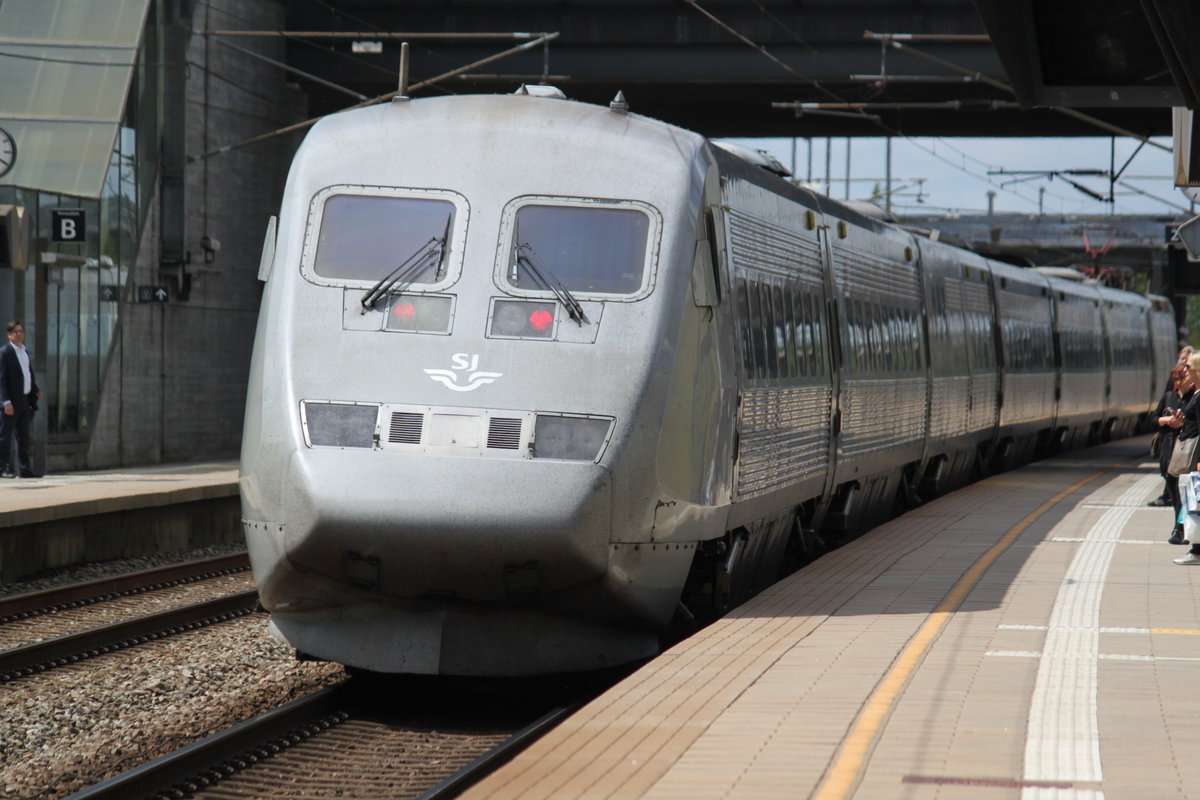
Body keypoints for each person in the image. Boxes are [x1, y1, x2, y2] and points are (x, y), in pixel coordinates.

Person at [0, 321, 43, 479]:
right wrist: (5, 402)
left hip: (24, 401)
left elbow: (28, 373)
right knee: (4, 437)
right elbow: (1, 379)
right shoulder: (4, 353)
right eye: (15, 332)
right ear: (9, 334)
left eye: (20, 331)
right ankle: (2, 467)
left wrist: (35, 389)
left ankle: (25, 469)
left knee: (23, 437)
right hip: (10, 403)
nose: (18, 334)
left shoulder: (24, 351)